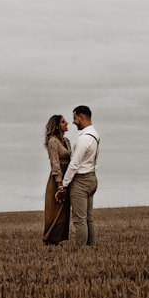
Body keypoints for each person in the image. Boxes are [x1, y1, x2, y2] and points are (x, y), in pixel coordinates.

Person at [58, 105, 99, 247]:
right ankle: (91, 247)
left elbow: (74, 164)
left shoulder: (83, 139)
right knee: (88, 218)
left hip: (81, 181)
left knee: (79, 220)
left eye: (75, 118)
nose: (73, 122)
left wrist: (64, 185)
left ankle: (81, 251)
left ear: (81, 117)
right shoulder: (94, 135)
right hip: (92, 177)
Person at [42, 114, 72, 245]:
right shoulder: (53, 141)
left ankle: (58, 238)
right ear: (57, 126)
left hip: (68, 177)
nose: (67, 124)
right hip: (57, 179)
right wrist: (60, 185)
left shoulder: (67, 141)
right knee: (55, 210)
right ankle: (49, 240)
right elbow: (55, 164)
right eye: (64, 122)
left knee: (64, 210)